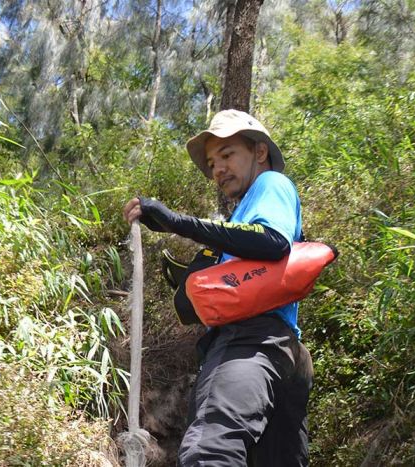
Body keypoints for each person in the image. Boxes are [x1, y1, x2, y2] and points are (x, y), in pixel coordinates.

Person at [123, 109, 312, 466]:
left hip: (248, 342)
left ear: (259, 152)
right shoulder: (241, 215)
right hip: (284, 352)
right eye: (212, 163)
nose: (218, 169)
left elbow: (272, 242)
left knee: (211, 450)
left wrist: (178, 222)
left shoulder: (270, 185)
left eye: (227, 155)